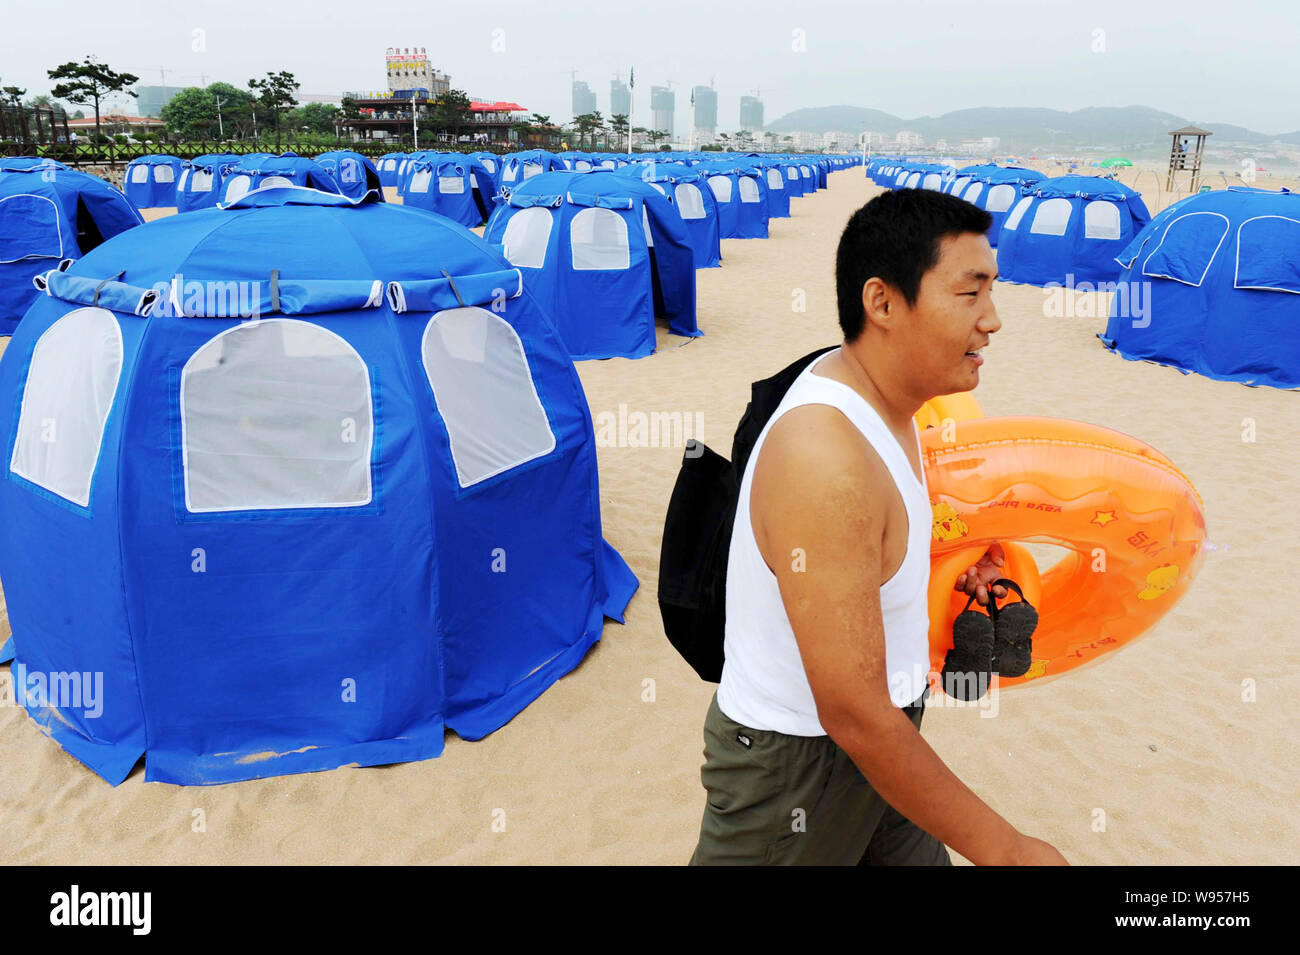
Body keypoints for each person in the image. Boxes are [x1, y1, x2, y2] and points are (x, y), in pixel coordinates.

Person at [689, 189, 1069, 866]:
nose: (994, 320)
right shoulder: (823, 457)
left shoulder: (897, 402)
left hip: (886, 742)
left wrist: (960, 571)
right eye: (970, 292)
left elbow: (879, 544)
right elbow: (850, 710)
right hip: (796, 771)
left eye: (994, 290)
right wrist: (1010, 850)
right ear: (884, 302)